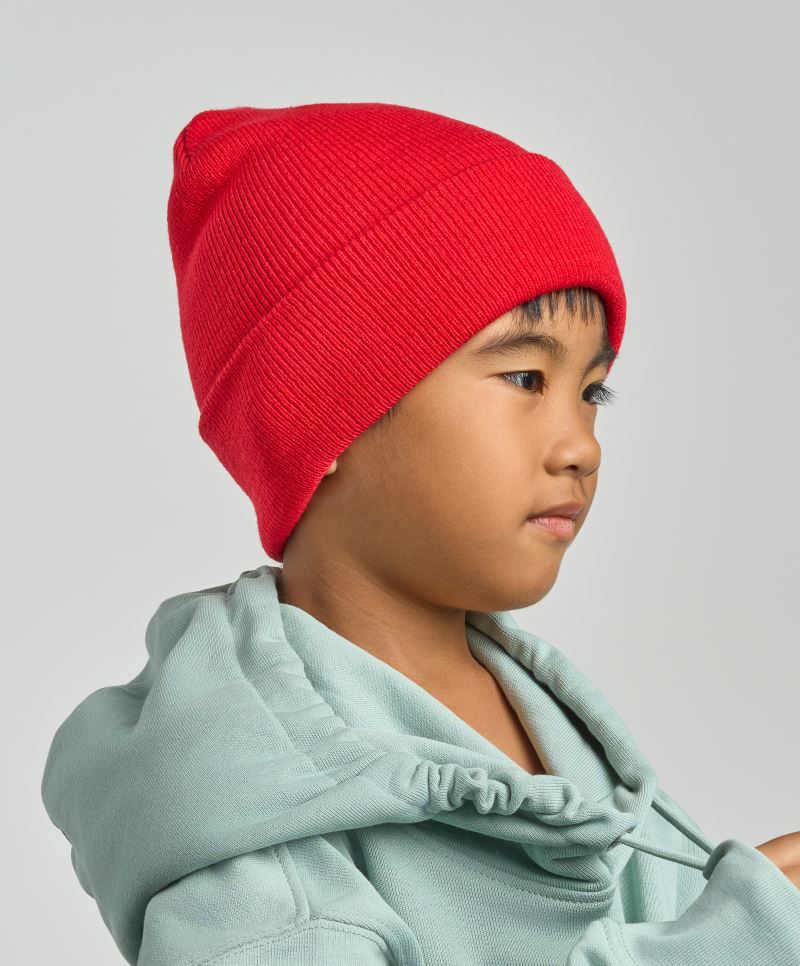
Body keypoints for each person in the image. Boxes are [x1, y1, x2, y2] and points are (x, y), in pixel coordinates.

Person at [41, 102, 800, 965]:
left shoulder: (545, 710)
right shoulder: (254, 839)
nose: (580, 446)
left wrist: (746, 914)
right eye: (525, 377)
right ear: (318, 416)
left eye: (592, 392)